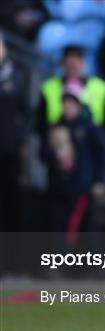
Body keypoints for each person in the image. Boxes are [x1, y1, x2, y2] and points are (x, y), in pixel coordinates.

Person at [41, 84, 105, 243]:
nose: (68, 107)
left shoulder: (89, 127)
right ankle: (60, 263)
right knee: (59, 227)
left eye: (72, 103)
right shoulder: (55, 127)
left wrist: (99, 180)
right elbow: (43, 154)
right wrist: (55, 153)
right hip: (60, 187)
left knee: (87, 227)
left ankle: (92, 264)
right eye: (65, 103)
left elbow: (102, 154)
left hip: (82, 187)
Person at [38, 45, 105, 136]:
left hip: (90, 141)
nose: (73, 66)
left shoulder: (100, 87)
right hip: (56, 140)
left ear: (83, 63)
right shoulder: (49, 87)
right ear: (62, 63)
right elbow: (40, 122)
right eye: (70, 63)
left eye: (76, 62)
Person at [0, 32, 29, 232]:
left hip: (8, 150)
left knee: (11, 199)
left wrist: (19, 137)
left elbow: (27, 112)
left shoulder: (17, 76)